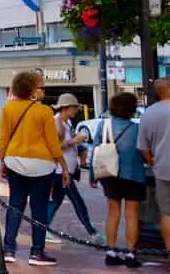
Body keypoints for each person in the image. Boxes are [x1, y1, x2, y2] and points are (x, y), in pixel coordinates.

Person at [0, 70, 68, 267]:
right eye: (40, 87)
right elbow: (52, 142)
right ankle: (36, 252)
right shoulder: (44, 112)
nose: (43, 91)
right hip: (42, 164)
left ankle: (9, 249)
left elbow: (4, 139)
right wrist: (62, 165)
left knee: (15, 205)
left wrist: (2, 161)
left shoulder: (8, 109)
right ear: (32, 90)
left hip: (14, 161)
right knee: (39, 208)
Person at [94, 92, 146, 268]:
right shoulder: (137, 129)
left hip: (110, 174)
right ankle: (131, 253)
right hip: (134, 174)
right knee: (132, 214)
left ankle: (111, 251)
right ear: (132, 110)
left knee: (113, 212)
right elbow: (144, 151)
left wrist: (94, 176)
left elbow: (95, 149)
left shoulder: (104, 125)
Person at [45, 94, 103, 244]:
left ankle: (43, 228)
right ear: (66, 108)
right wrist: (74, 141)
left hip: (65, 169)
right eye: (74, 108)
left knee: (56, 201)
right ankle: (92, 232)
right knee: (77, 201)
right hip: (60, 171)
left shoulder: (66, 122)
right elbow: (55, 148)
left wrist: (79, 146)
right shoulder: (57, 123)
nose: (76, 110)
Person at [139, 77, 170, 274]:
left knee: (168, 213)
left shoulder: (149, 113)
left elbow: (143, 148)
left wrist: (153, 161)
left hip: (163, 170)